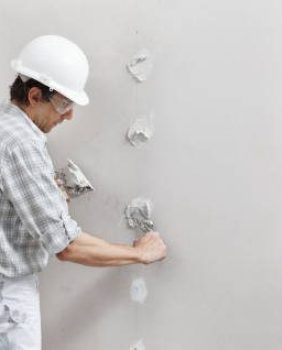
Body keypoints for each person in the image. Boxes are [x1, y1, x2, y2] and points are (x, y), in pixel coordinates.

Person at [0, 35, 167, 349]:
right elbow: (66, 246)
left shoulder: (6, 127)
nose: (69, 115)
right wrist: (139, 254)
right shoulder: (21, 145)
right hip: (8, 302)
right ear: (34, 95)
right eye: (63, 103)